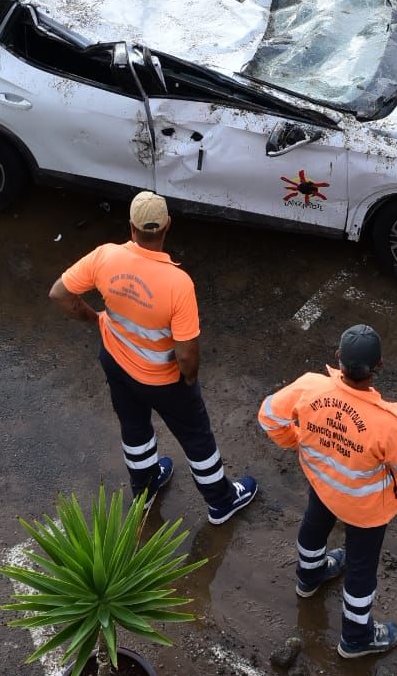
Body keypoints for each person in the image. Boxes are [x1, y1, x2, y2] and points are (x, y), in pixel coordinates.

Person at [50, 191, 258, 524]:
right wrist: (188, 380)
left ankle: (145, 488)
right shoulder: (178, 283)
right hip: (164, 380)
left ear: (131, 226)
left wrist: (96, 319)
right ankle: (221, 502)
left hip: (116, 363)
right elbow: (187, 354)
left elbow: (59, 293)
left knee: (134, 427)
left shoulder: (105, 256)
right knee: (196, 438)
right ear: (167, 227)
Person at [259, 324, 397, 660]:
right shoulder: (384, 422)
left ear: (338, 358)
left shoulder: (309, 386)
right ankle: (355, 637)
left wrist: (297, 444)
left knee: (314, 523)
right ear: (378, 367)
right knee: (362, 567)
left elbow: (268, 417)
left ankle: (308, 577)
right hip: (365, 508)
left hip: (322, 483)